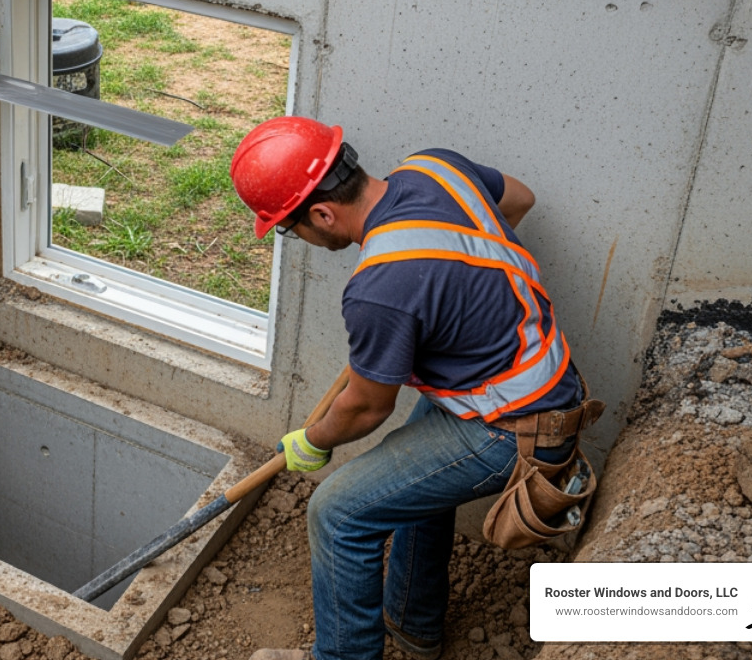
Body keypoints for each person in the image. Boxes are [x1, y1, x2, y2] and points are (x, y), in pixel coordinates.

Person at [230, 118, 597, 660]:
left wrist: (313, 439)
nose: (299, 239)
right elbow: (519, 198)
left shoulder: (380, 288)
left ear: (322, 214)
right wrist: (457, 304)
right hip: (532, 386)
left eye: (290, 227)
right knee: (412, 482)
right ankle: (413, 625)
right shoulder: (436, 166)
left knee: (337, 514)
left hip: (512, 429)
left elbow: (365, 409)